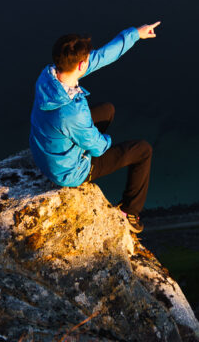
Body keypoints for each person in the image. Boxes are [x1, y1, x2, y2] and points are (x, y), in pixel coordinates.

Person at [29, 22, 159, 232]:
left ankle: (83, 142)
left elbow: (102, 57)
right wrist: (101, 139)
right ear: (80, 66)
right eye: (87, 59)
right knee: (142, 150)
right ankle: (130, 212)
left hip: (44, 151)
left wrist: (135, 34)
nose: (91, 60)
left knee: (107, 110)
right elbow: (99, 148)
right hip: (69, 173)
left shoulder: (47, 75)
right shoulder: (72, 113)